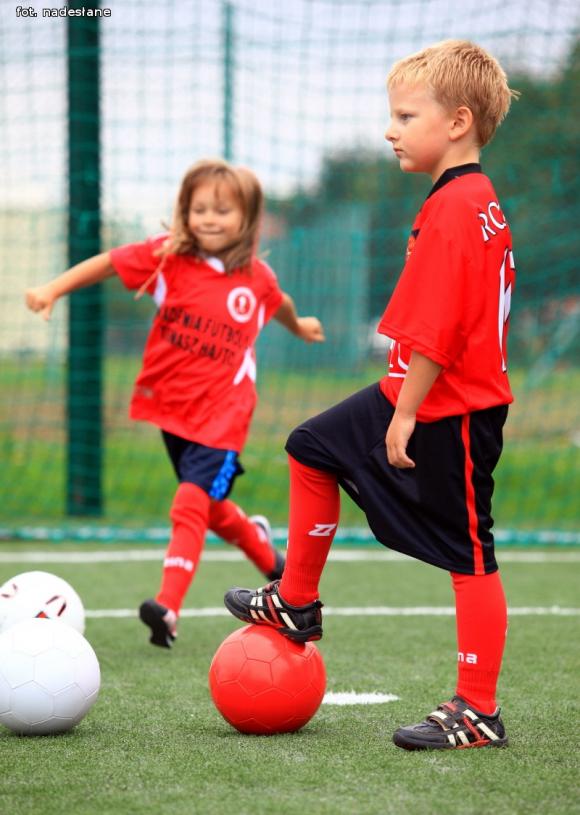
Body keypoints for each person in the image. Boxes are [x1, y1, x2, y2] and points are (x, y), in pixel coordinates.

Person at [224, 40, 518, 751]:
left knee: (469, 553)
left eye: (405, 114)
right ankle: (296, 601)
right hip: (420, 391)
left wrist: (408, 410)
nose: (390, 129)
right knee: (312, 446)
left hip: (452, 406)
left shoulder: (458, 204)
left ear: (458, 121)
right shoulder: (468, 199)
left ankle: (478, 708)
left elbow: (441, 326)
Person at [26, 158, 325, 649]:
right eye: (198, 208)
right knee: (209, 506)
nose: (208, 218)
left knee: (190, 500)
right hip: (175, 410)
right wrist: (53, 289)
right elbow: (107, 262)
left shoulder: (258, 279)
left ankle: (167, 609)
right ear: (184, 212)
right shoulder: (166, 259)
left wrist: (300, 325)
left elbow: (282, 302)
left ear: (246, 218)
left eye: (222, 210)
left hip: (228, 414)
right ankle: (267, 553)